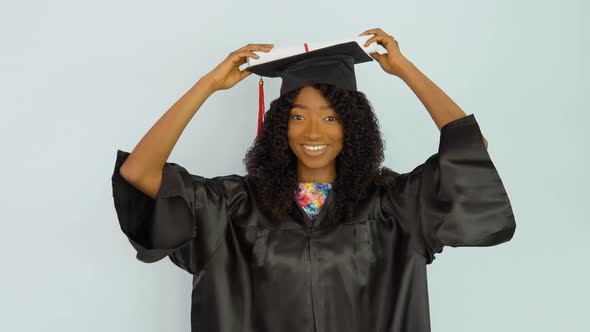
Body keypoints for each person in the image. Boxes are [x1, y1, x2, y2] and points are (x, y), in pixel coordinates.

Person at [111, 28, 516, 332]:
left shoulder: (392, 205)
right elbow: (139, 173)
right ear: (279, 127)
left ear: (352, 126)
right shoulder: (233, 206)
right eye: (298, 116)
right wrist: (209, 85)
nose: (313, 132)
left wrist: (404, 70)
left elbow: (470, 149)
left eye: (330, 116)